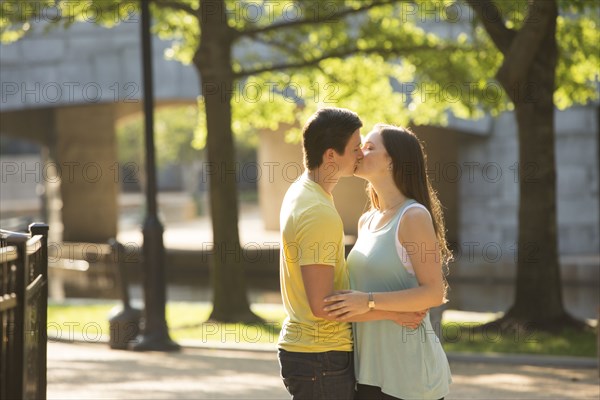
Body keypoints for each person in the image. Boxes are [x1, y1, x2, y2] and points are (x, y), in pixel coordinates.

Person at [278, 110, 425, 400]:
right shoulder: (318, 211)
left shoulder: (303, 192)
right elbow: (322, 305)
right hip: (321, 356)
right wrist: (392, 313)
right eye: (356, 147)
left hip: (312, 355)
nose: (361, 153)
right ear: (331, 155)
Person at [324, 124, 453, 400]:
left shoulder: (413, 216)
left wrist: (367, 300)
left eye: (369, 148)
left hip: (409, 375)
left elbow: (433, 292)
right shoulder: (367, 220)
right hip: (368, 372)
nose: (359, 152)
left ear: (392, 160)